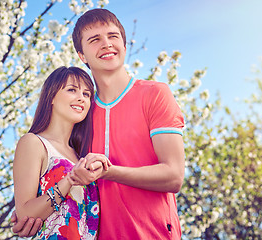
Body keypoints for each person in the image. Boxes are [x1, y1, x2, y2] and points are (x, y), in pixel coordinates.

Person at [12, 9, 185, 239]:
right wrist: (28, 215)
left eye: (113, 36)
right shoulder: (81, 116)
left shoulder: (155, 94)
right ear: (82, 55)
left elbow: (174, 176)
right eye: (95, 39)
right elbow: (51, 174)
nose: (106, 44)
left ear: (124, 45)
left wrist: (109, 173)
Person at [12, 66, 110, 239]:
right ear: (51, 97)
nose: (81, 98)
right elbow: (25, 214)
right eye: (72, 90)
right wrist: (70, 180)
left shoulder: (82, 155)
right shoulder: (34, 143)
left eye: (87, 94)